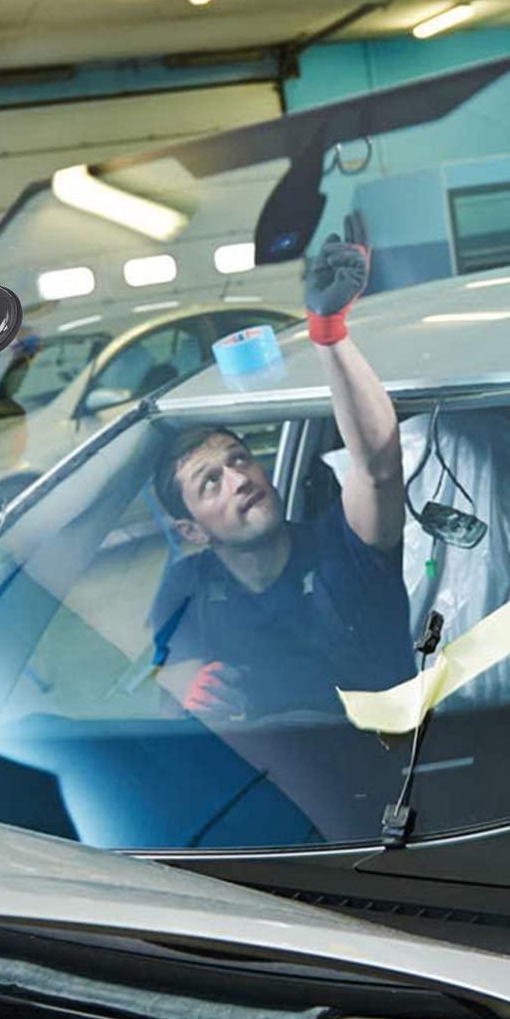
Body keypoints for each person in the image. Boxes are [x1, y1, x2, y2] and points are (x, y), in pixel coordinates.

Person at [149, 238, 413, 724]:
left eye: (239, 459)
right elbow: (169, 687)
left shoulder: (342, 545)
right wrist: (183, 687)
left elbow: (377, 468)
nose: (238, 478)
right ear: (191, 530)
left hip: (392, 754)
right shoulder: (187, 587)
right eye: (211, 483)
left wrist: (329, 334)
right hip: (271, 765)